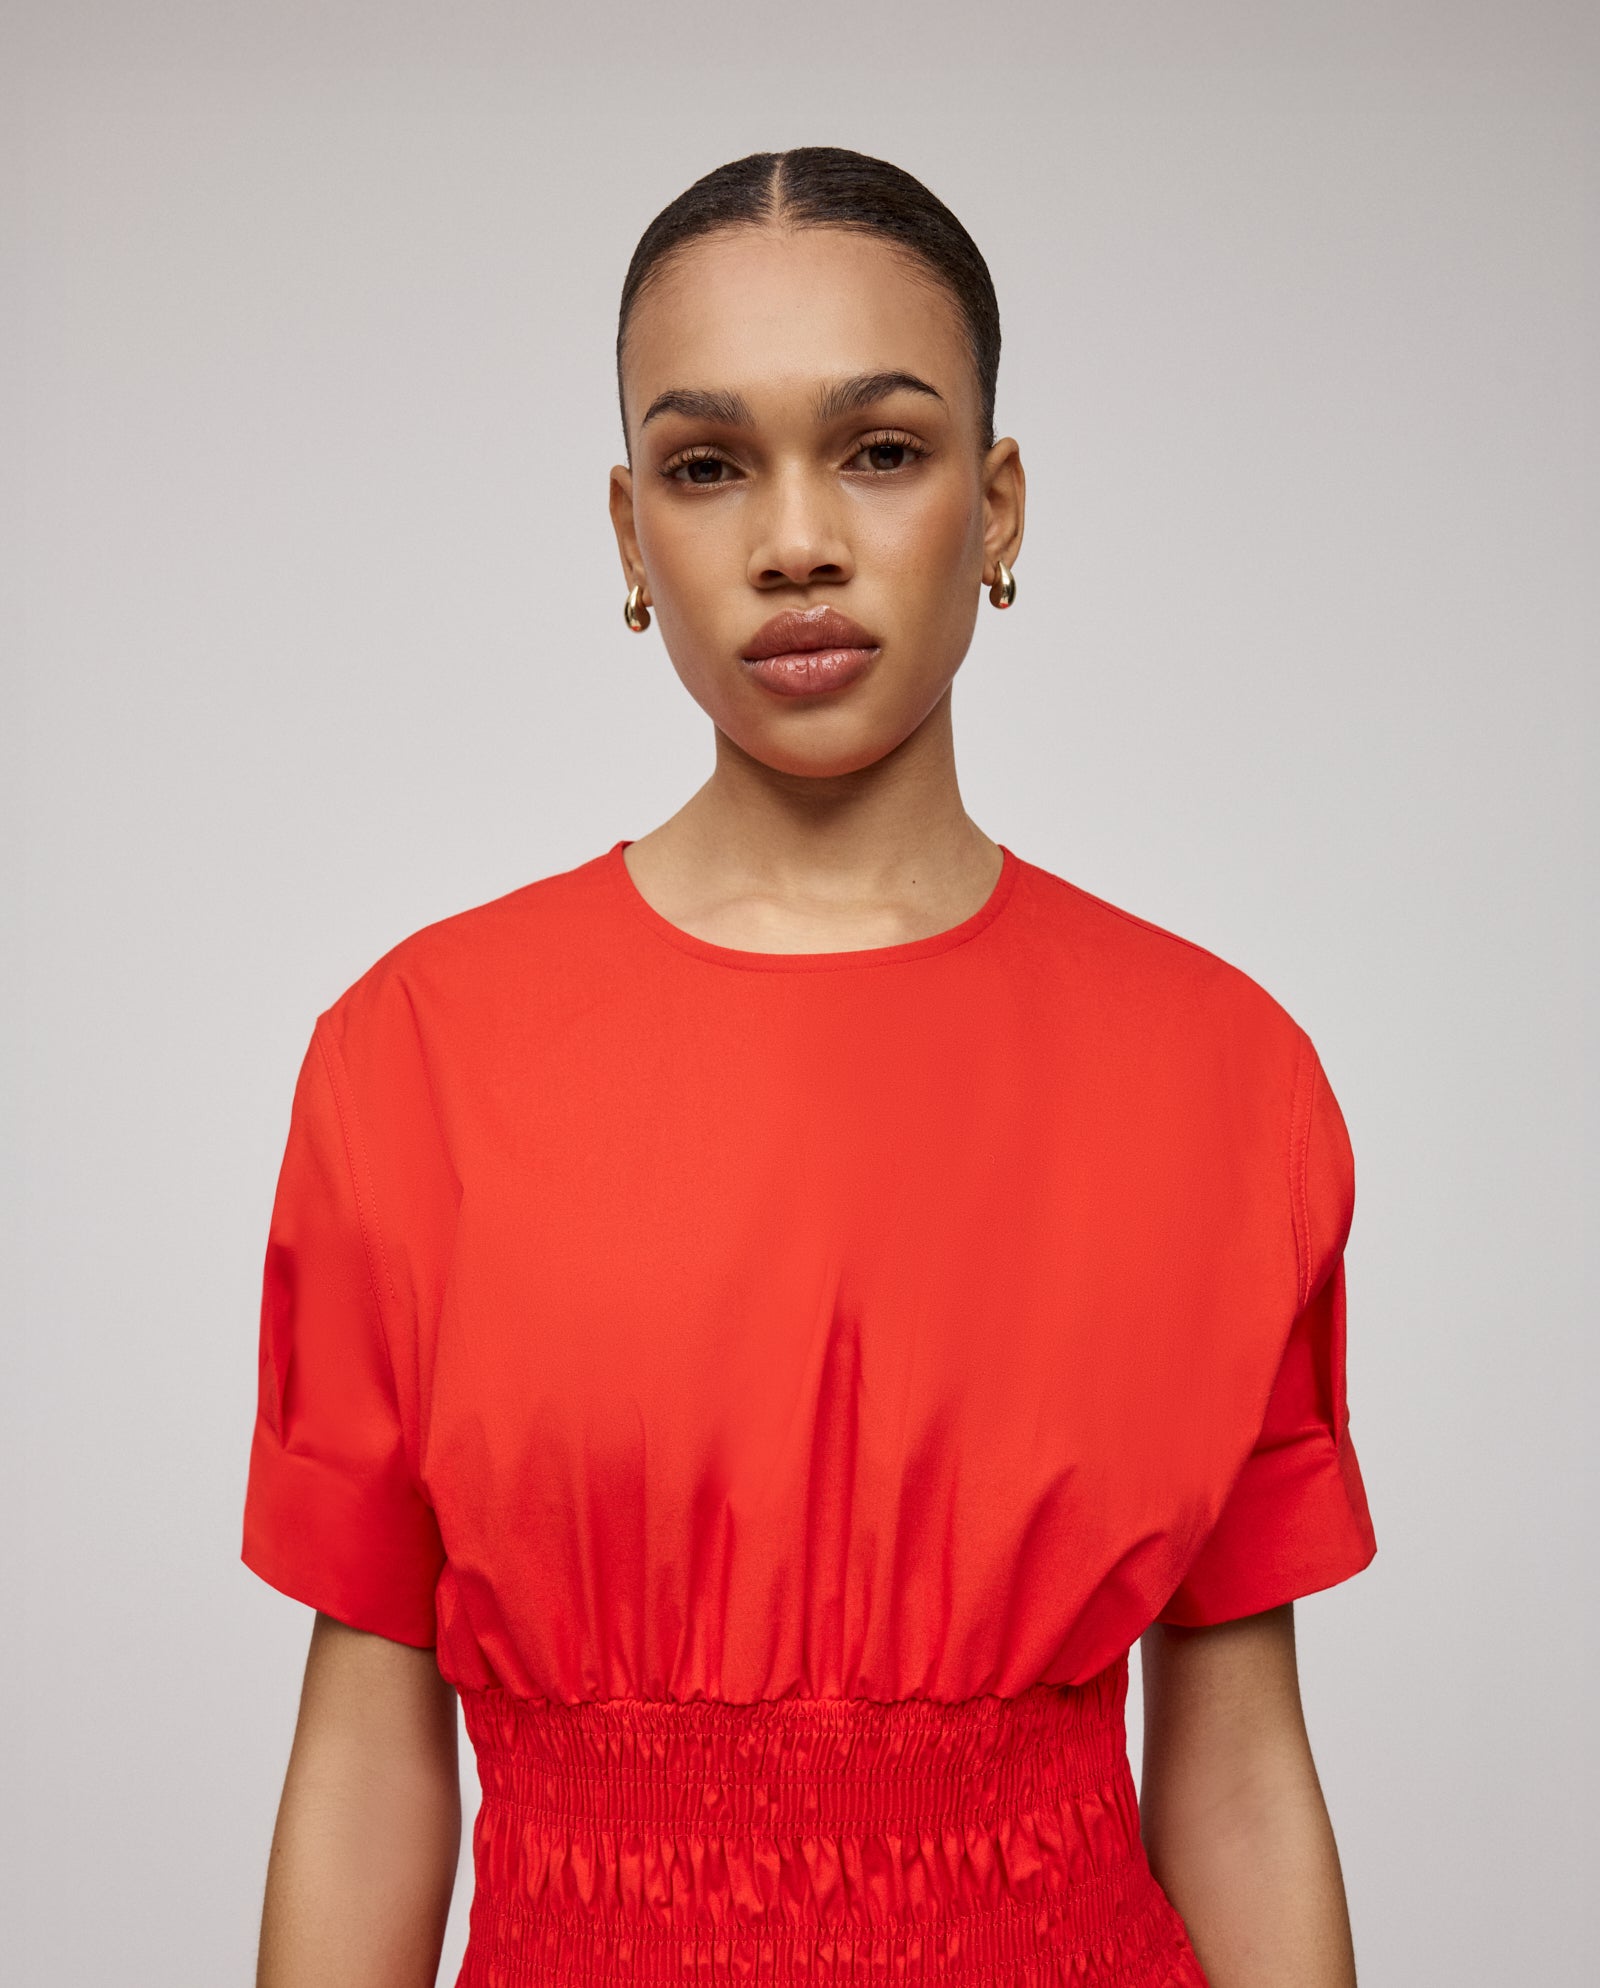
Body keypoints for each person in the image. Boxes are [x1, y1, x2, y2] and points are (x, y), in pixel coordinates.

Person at [242, 147, 1377, 1988]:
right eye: (707, 466)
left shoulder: (1226, 1079)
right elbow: (371, 1754)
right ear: (629, 536)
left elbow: (1239, 1772)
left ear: (997, 507)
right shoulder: (416, 1061)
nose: (794, 539)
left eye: (881, 449)